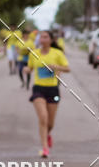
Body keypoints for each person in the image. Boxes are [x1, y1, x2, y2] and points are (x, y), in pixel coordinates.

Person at [25, 30, 70, 158]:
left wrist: (56, 66)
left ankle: (47, 135)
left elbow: (67, 68)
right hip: (38, 89)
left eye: (45, 37)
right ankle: (45, 148)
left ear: (50, 40)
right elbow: (30, 68)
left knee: (50, 123)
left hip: (53, 89)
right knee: (43, 117)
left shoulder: (57, 53)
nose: (43, 39)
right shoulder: (34, 53)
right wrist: (26, 69)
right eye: (41, 37)